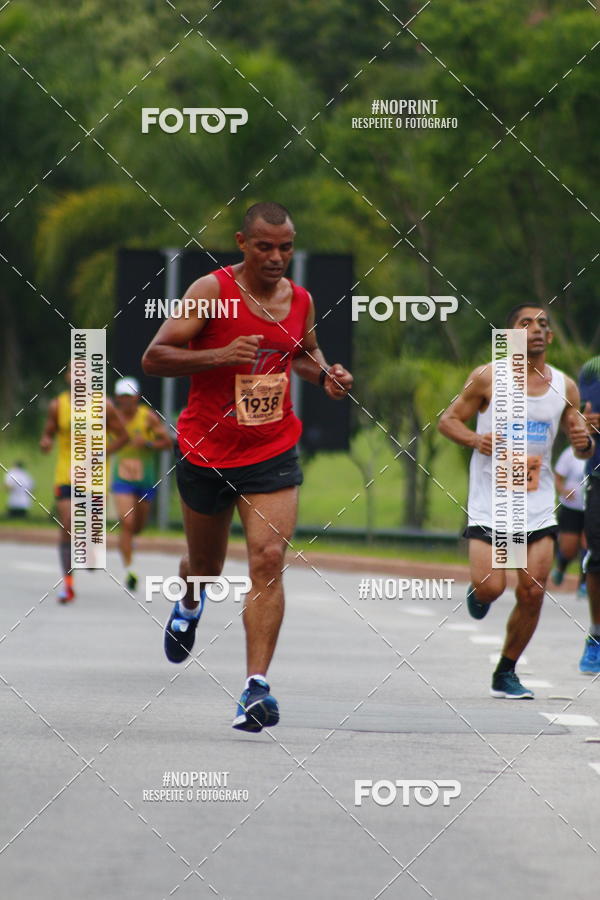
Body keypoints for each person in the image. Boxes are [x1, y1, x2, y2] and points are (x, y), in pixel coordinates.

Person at [142, 201, 353, 731]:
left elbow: (302, 354)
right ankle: (190, 601)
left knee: (267, 556)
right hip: (206, 450)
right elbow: (155, 357)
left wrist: (326, 375)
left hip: (271, 450)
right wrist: (217, 356)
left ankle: (255, 688)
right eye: (265, 247)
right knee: (206, 567)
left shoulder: (299, 299)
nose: (277, 257)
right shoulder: (210, 293)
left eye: (286, 247)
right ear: (242, 243)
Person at [438, 305, 594, 698]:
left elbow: (579, 445)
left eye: (543, 324)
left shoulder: (565, 386)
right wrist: (476, 440)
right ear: (509, 335)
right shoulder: (488, 377)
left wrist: (584, 444)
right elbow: (447, 421)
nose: (536, 330)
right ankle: (480, 594)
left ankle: (505, 670)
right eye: (526, 323)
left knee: (533, 591)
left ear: (551, 338)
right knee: (492, 587)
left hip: (536, 505)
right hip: (491, 502)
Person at [40, 364, 128, 603]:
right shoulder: (58, 405)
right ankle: (67, 585)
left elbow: (123, 437)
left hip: (95, 477)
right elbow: (48, 432)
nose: (79, 376)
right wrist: (46, 441)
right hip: (66, 474)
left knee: (91, 527)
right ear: (68, 376)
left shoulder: (105, 405)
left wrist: (101, 454)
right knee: (67, 523)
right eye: (74, 372)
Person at [111, 376, 172, 590]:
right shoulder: (113, 418)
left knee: (138, 526)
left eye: (129, 396)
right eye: (121, 396)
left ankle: (129, 544)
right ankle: (130, 570)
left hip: (145, 479)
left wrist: (146, 443)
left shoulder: (148, 418)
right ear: (117, 397)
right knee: (127, 522)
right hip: (121, 479)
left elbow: (167, 443)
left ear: (136, 397)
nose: (125, 400)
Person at [578, 356, 600, 674]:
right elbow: (581, 424)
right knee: (598, 560)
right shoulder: (593, 369)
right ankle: (596, 637)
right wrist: (584, 427)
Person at [551, 445, 587, 597]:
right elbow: (558, 478)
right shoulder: (571, 453)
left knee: (589, 544)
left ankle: (584, 583)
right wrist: (564, 491)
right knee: (569, 548)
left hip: (592, 508)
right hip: (571, 508)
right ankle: (561, 565)